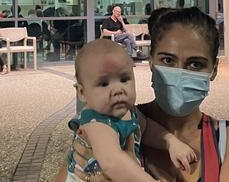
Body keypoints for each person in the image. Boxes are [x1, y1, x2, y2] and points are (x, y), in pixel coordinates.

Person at [57, 7, 229, 181]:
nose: (180, 73)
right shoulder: (106, 124)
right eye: (168, 61)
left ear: (214, 69)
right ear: (151, 62)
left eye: (195, 64)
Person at [63, 39, 197, 181]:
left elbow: (146, 129)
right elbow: (112, 163)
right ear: (82, 93)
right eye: (103, 83)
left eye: (124, 79)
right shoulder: (95, 122)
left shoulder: (128, 111)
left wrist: (171, 142)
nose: (118, 90)